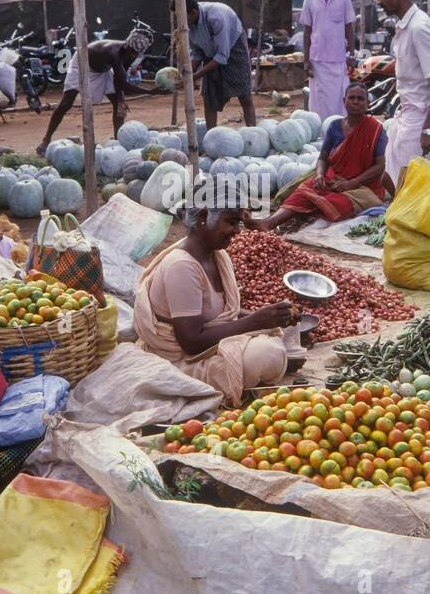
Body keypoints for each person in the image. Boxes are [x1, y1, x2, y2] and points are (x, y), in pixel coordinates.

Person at [134, 190, 293, 403]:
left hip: (204, 344)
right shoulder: (183, 266)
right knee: (267, 355)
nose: (237, 231)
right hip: (181, 360)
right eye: (231, 222)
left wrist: (270, 317)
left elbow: (224, 313)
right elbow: (190, 343)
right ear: (202, 219)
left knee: (288, 332)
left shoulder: (217, 255)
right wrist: (257, 321)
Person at [255, 82, 386, 230]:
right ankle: (270, 222)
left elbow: (380, 166)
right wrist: (319, 175)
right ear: (344, 101)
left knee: (339, 203)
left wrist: (352, 183)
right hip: (333, 179)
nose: (356, 102)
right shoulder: (335, 126)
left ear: (367, 103)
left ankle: (311, 216)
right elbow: (323, 158)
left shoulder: (376, 129)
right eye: (352, 98)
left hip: (363, 187)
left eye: (360, 99)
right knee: (303, 192)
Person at [368, 0, 430, 194]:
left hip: (422, 117)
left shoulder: (419, 28)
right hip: (407, 113)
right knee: (391, 178)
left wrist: (429, 129)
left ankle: (414, 226)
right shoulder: (404, 26)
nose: (379, 2)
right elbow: (408, 74)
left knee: (413, 185)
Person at [35, 24, 152, 157]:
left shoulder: (129, 54)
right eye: (133, 52)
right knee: (65, 104)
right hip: (82, 63)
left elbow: (119, 82)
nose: (134, 55)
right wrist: (152, 92)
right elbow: (125, 85)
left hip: (103, 70)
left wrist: (121, 100)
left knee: (119, 105)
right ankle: (46, 140)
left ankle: (118, 142)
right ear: (127, 46)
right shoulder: (114, 52)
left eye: (137, 53)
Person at [186, 0, 256, 131]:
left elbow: (222, 56)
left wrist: (196, 76)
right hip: (211, 53)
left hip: (234, 46)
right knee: (209, 97)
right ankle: (211, 137)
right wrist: (189, 72)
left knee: (245, 95)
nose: (180, 21)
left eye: (183, 17)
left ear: (193, 12)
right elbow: (197, 52)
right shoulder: (186, 25)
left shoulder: (216, 17)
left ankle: (253, 134)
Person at [300, 0, 355, 121]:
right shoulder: (309, 0)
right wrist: (305, 60)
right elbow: (307, 32)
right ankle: (321, 138)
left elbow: (349, 28)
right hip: (317, 61)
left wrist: (351, 55)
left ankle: (340, 135)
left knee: (340, 102)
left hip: (339, 60)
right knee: (319, 104)